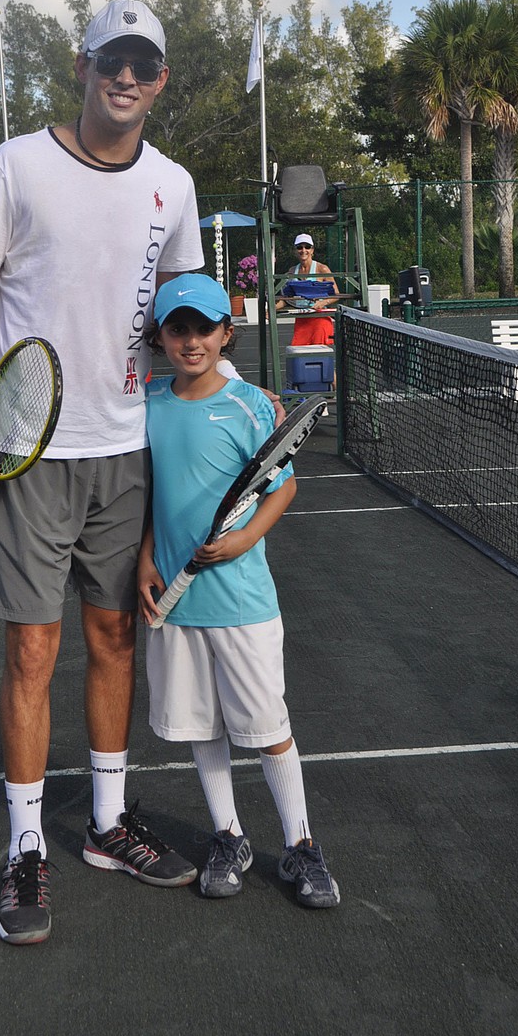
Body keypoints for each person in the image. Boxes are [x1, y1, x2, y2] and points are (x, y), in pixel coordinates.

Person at [0, 0, 206, 946]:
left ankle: (104, 825)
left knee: (113, 643)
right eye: (112, 59)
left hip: (127, 451)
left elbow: (183, 319)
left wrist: (198, 433)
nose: (126, 76)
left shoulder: (173, 187)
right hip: (29, 456)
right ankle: (24, 846)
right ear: (84, 63)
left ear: (160, 79)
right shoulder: (18, 164)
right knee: (30, 653)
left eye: (144, 63)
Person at [138, 274, 340, 909]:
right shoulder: (148, 403)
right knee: (203, 726)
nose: (191, 341)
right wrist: (146, 558)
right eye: (179, 329)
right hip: (176, 598)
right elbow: (152, 497)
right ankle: (229, 836)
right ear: (161, 337)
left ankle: (301, 846)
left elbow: (282, 488)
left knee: (268, 727)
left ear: (226, 334)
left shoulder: (251, 406)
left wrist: (242, 540)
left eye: (204, 328)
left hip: (243, 603)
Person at [277, 233, 340, 347]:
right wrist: (272, 309)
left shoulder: (322, 269)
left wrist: (323, 302)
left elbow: (336, 294)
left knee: (319, 357)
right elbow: (288, 299)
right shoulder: (292, 271)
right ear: (295, 251)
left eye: (307, 247)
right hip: (301, 321)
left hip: (319, 319)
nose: (303, 250)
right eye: (299, 247)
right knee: (298, 356)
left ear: (312, 250)